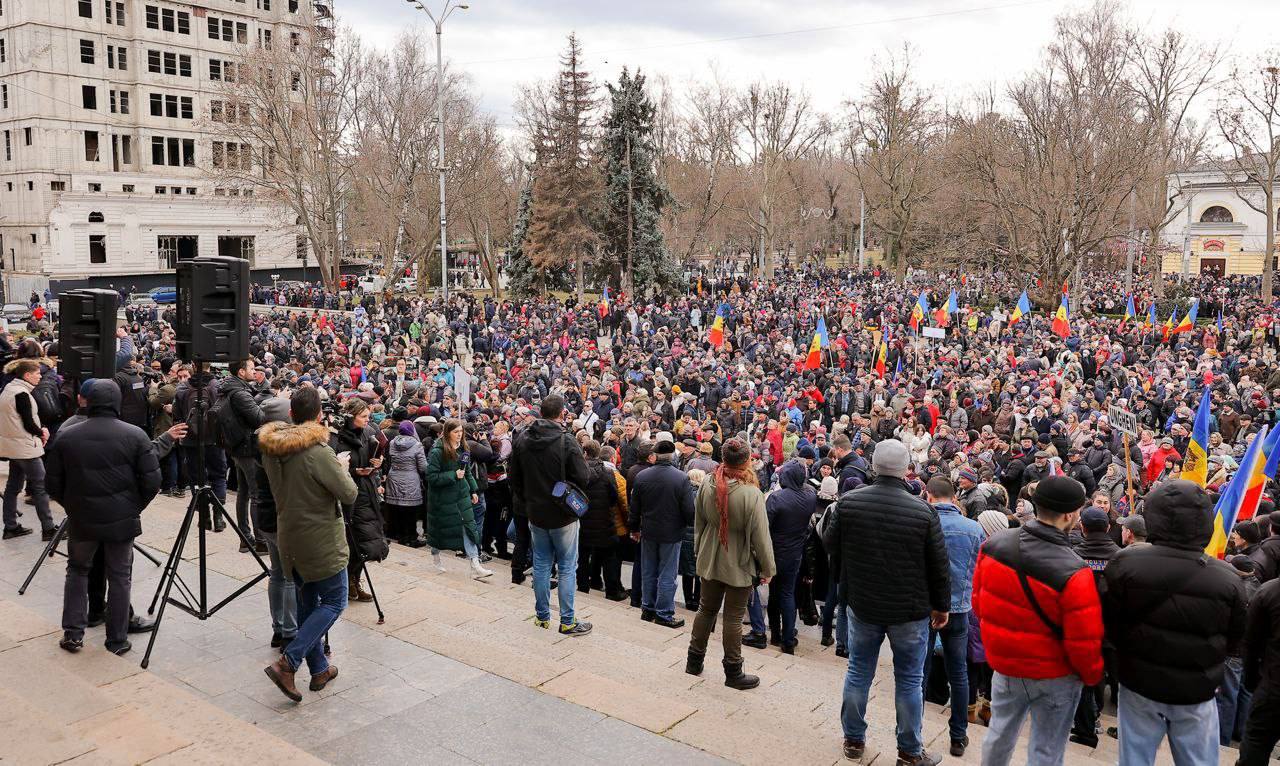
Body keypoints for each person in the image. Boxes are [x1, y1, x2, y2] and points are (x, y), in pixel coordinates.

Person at [822, 439, 951, 766]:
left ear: (874, 466)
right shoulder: (923, 512)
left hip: (863, 603)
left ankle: (853, 739)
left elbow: (830, 544)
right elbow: (939, 567)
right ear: (906, 469)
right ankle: (909, 750)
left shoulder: (850, 502)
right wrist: (942, 606)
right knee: (908, 678)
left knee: (858, 670)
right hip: (908, 609)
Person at [1101, 479, 1247, 765]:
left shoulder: (1125, 563)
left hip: (1139, 681)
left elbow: (1111, 625)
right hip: (1196, 687)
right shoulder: (1228, 578)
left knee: (1134, 759)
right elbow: (1234, 640)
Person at [972, 475, 1103, 766]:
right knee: (1046, 749)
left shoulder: (995, 544)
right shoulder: (1075, 571)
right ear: (1070, 515)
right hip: (1055, 674)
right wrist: (1091, 675)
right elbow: (1084, 639)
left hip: (1006, 665)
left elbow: (979, 603)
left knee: (999, 734)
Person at [46, 378, 161, 655]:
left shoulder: (68, 435)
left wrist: (74, 505)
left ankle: (73, 633)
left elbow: (52, 484)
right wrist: (133, 507)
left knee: (77, 571)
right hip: (121, 518)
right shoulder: (135, 435)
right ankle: (117, 639)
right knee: (120, 576)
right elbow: (152, 482)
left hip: (83, 518)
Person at [260, 386, 358, 701]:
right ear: (318, 417)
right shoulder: (319, 452)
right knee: (334, 601)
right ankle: (289, 662)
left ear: (291, 415)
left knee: (307, 604)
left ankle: (319, 669)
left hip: (290, 536)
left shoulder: (272, 449)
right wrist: (341, 468)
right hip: (320, 540)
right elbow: (349, 494)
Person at [685, 438, 775, 690]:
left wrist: (699, 550)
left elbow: (699, 522)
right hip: (739, 560)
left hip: (711, 554)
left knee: (706, 610)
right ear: (747, 461)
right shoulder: (752, 494)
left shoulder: (707, 482)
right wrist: (768, 569)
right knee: (734, 618)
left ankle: (694, 661)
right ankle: (733, 671)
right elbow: (761, 536)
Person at [508, 394, 593, 636]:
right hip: (562, 513)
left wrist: (528, 499)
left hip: (535, 511)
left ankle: (542, 616)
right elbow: (583, 477)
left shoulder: (523, 438)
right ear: (561, 413)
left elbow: (514, 477)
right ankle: (567, 621)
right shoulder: (566, 441)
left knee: (542, 564)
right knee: (566, 566)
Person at [921, 476, 983, 757]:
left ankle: (913, 732)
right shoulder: (974, 529)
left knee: (918, 670)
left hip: (925, 605)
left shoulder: (924, 522)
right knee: (958, 672)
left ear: (929, 496)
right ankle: (958, 736)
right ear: (954, 499)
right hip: (960, 607)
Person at [629, 439, 695, 628]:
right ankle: (664, 613)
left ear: (655, 456)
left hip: (649, 530)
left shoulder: (643, 476)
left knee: (649, 571)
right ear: (672, 456)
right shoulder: (681, 478)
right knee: (667, 574)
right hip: (672, 532)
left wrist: (634, 528)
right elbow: (689, 510)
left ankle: (648, 608)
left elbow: (634, 508)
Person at [331, 398, 391, 599]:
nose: (368, 420)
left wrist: (377, 462)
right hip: (348, 492)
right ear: (351, 416)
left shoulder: (368, 433)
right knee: (351, 539)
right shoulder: (337, 437)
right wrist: (354, 471)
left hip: (366, 491)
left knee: (365, 541)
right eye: (363, 416)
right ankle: (348, 581)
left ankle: (355, 578)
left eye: (368, 416)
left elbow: (373, 460)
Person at [251, 397, 297, 650]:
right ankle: (290, 631)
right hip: (280, 516)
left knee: (277, 573)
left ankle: (278, 628)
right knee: (289, 576)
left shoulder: (260, 441)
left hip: (265, 517)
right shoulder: (280, 447)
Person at [426, 418, 492, 580]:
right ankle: (435, 554)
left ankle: (475, 565)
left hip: (461, 497)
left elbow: (467, 472)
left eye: (461, 432)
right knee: (440, 529)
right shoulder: (437, 451)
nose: (459, 435)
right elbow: (431, 477)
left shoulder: (464, 449)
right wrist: (452, 475)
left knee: (469, 528)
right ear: (447, 432)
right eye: (456, 432)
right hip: (443, 499)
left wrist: (473, 490)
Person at [0, 358, 56, 540]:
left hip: (12, 447)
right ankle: (48, 529)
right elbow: (29, 423)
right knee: (41, 487)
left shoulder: (8, 390)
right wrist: (42, 432)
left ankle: (10, 526)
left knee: (12, 487)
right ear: (27, 375)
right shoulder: (22, 394)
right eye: (37, 373)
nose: (40, 376)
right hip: (25, 448)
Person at [764, 460, 815, 654]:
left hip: (775, 551)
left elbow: (765, 527)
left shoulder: (776, 498)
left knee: (774, 593)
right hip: (795, 553)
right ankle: (787, 638)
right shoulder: (809, 496)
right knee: (787, 594)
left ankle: (776, 634)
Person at [219, 359, 267, 553]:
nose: (254, 372)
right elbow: (259, 418)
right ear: (241, 372)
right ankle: (260, 540)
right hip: (247, 449)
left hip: (237, 447)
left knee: (244, 493)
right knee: (256, 494)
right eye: (251, 368)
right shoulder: (240, 393)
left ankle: (245, 538)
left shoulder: (231, 388)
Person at [1240, 569, 1280, 765]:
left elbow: (1251, 643)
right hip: (1271, 685)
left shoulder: (1270, 591)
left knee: (1256, 744)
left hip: (1273, 687)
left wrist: (1252, 681)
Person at [577, 440, 626, 600]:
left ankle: (582, 587)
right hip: (605, 521)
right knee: (609, 558)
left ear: (584, 452)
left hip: (583, 520)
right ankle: (612, 592)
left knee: (582, 556)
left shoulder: (579, 472)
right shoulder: (608, 473)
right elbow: (614, 496)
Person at [384, 420, 428, 547]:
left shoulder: (393, 443)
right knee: (410, 510)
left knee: (397, 508)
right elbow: (423, 467)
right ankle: (411, 537)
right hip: (410, 479)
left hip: (394, 478)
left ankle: (399, 535)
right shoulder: (417, 445)